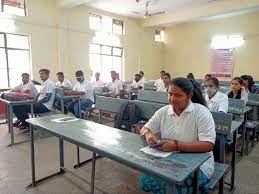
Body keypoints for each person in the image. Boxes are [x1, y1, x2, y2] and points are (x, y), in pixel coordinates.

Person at [139, 77, 215, 194]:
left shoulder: (201, 113)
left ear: (189, 96)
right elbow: (145, 128)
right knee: (146, 181)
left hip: (199, 165)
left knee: (177, 187)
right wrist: (148, 134)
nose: (172, 99)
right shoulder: (164, 111)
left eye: (178, 95)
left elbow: (208, 145)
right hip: (170, 160)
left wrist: (176, 146)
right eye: (170, 94)